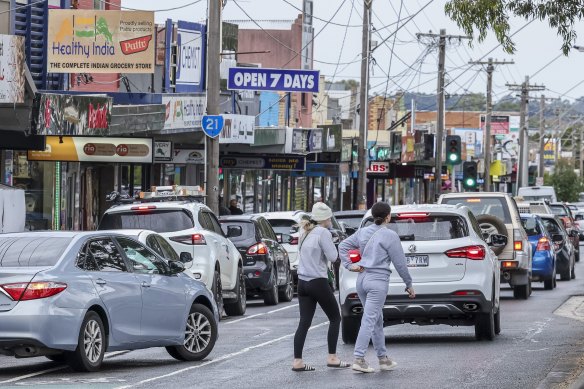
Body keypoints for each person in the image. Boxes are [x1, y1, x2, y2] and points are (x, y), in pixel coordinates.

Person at [338, 202, 415, 373]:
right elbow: (400, 263)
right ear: (388, 216)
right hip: (377, 281)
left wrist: (350, 266)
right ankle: (359, 358)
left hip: (362, 279)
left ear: (373, 216)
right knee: (370, 319)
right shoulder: (390, 235)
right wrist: (408, 284)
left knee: (376, 319)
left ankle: (383, 359)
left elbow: (342, 246)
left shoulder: (363, 232)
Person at [292, 202, 350, 372]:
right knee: (335, 318)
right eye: (330, 218)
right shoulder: (323, 233)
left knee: (304, 322)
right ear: (326, 218)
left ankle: (297, 361)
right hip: (318, 281)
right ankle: (332, 357)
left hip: (302, 283)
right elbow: (333, 257)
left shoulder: (305, 231)